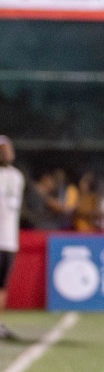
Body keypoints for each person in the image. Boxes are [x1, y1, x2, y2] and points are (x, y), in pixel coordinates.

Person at [0, 137, 23, 340]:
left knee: (2, 285)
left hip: (8, 240)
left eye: (8, 150)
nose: (6, 154)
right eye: (3, 150)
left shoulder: (16, 177)